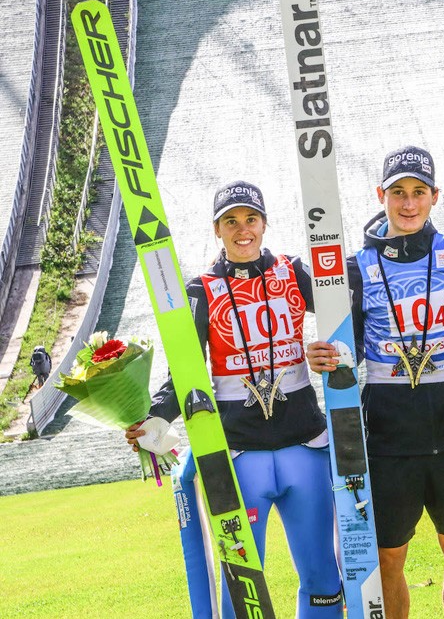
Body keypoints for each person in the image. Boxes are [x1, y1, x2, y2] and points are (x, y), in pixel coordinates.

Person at [126, 180, 343, 618]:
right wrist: (151, 417)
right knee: (242, 588)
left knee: (322, 578)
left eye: (250, 219)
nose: (242, 229)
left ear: (264, 224)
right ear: (217, 229)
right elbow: (184, 371)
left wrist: (332, 351)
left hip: (306, 447)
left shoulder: (293, 271)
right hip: (240, 458)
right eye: (231, 221)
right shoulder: (200, 290)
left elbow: (347, 312)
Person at [307, 145, 444, 619]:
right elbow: (342, 347)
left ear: (434, 196)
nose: (409, 203)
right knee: (388, 555)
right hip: (390, 434)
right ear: (380, 195)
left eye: (419, 192)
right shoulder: (356, 266)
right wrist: (323, 353)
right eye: (398, 193)